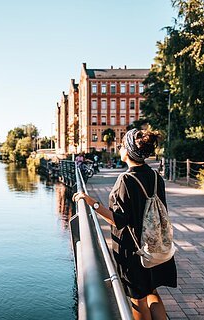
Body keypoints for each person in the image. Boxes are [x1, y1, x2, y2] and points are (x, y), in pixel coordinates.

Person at [73, 128, 177, 320]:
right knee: (152, 291)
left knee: (138, 299)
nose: (120, 148)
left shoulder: (126, 180)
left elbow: (118, 220)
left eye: (121, 146)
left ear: (128, 151)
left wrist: (91, 203)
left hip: (133, 250)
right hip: (153, 245)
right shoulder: (156, 177)